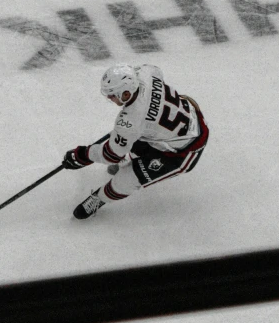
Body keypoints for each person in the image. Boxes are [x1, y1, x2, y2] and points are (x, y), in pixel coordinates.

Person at [63, 62, 209, 221]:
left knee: (126, 179)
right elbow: (156, 70)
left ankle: (99, 199)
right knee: (133, 138)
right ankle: (133, 152)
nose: (109, 98)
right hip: (187, 116)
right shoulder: (144, 74)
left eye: (112, 94)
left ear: (126, 93)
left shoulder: (130, 120)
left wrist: (83, 155)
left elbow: (111, 155)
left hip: (182, 151)